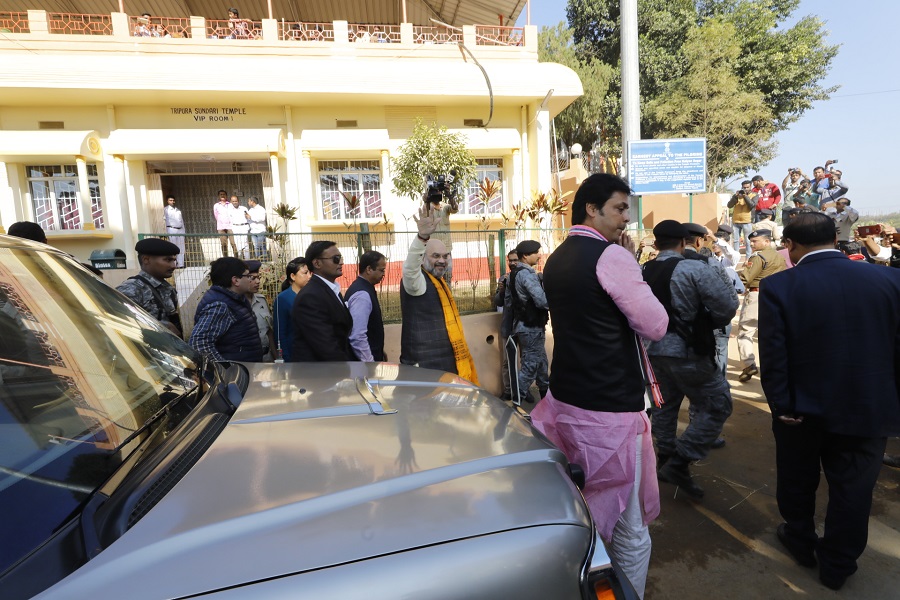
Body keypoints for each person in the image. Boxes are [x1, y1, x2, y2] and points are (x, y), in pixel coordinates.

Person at [530, 173, 668, 598]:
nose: (627, 218)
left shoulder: (556, 257)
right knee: (629, 532)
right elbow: (656, 324)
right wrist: (629, 266)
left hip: (569, 397)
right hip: (611, 408)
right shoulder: (611, 258)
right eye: (620, 208)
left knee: (582, 504)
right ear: (591, 208)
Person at [759, 211, 900, 591]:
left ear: (790, 245)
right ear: (835, 239)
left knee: (797, 479)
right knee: (854, 490)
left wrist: (782, 406)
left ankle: (802, 542)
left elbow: (775, 355)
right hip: (870, 409)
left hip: (802, 410)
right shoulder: (891, 279)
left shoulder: (780, 287)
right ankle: (837, 564)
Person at [642, 221, 739, 499]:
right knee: (718, 404)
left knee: (665, 405)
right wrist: (707, 324)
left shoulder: (644, 270)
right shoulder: (693, 268)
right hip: (686, 351)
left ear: (656, 242)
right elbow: (727, 306)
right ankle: (681, 462)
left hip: (652, 350)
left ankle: (665, 458)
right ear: (683, 242)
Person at [399, 204, 478, 384]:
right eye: (435, 256)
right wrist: (422, 237)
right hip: (424, 368)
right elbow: (410, 269)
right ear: (423, 257)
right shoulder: (416, 282)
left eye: (445, 256)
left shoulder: (440, 282)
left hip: (448, 364)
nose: (441, 261)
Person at [290, 241, 356, 362]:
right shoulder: (310, 297)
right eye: (335, 259)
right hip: (320, 374)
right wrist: (348, 370)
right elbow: (326, 346)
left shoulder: (331, 289)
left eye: (340, 257)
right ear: (317, 263)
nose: (341, 262)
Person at [189, 257, 263, 362]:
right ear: (235, 280)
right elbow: (199, 343)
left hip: (245, 369)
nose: (251, 280)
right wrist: (225, 370)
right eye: (248, 276)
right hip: (235, 374)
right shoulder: (220, 305)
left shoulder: (235, 298)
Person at [736, 230, 786, 383]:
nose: (751, 244)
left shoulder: (758, 256)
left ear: (766, 241)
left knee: (746, 330)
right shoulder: (779, 256)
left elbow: (745, 278)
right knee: (771, 333)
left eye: (755, 241)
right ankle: (774, 367)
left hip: (757, 294)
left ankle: (749, 364)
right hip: (775, 296)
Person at [506, 240, 549, 405]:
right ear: (525, 256)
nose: (539, 255)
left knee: (542, 366)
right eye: (536, 252)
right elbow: (542, 300)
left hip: (524, 326)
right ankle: (513, 406)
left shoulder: (514, 274)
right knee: (530, 368)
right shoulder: (527, 274)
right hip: (531, 328)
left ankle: (546, 406)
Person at [116, 238, 182, 336]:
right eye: (168, 260)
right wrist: (162, 326)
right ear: (146, 260)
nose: (173, 266)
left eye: (174, 260)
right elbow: (120, 325)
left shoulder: (167, 288)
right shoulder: (131, 289)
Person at [346, 251, 388, 362]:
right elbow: (357, 336)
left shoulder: (364, 288)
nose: (383, 274)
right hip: (363, 365)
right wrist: (369, 361)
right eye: (381, 270)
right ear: (369, 269)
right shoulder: (362, 295)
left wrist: (379, 351)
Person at [494, 250, 520, 400]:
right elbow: (498, 302)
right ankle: (508, 390)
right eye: (510, 260)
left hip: (524, 325)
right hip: (507, 326)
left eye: (515, 260)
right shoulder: (503, 278)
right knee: (507, 361)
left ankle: (523, 389)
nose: (512, 263)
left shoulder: (528, 277)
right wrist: (502, 291)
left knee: (524, 359)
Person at [273, 257, 311, 362]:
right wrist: (285, 357)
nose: (309, 276)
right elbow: (280, 333)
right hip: (294, 355)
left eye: (310, 273)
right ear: (293, 276)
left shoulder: (312, 296)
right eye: (305, 273)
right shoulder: (283, 299)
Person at [244, 260, 277, 362]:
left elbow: (269, 332)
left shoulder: (262, 300)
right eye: (252, 278)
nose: (257, 281)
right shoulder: (234, 304)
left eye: (258, 277)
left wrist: (276, 358)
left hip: (267, 358)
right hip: (247, 361)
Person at [727, 181, 757, 255]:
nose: (746, 189)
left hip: (747, 221)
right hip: (736, 221)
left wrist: (745, 196)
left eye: (747, 187)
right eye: (744, 187)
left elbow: (752, 205)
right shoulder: (737, 195)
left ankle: (748, 258)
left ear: (750, 187)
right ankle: (736, 257)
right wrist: (735, 197)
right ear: (742, 187)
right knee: (736, 240)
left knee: (747, 240)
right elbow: (729, 205)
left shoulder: (754, 195)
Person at [214, 190, 238, 257]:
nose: (222, 195)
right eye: (221, 194)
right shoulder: (216, 205)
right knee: (224, 244)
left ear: (226, 196)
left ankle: (236, 258)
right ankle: (225, 259)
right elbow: (216, 216)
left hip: (230, 227)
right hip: (221, 227)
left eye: (224, 194)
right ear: (218, 196)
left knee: (233, 243)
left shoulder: (230, 205)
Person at [164, 195, 185, 268]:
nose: (172, 202)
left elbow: (181, 222)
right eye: (170, 200)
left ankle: (181, 264)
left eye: (173, 200)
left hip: (180, 230)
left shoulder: (178, 210)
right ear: (167, 201)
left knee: (181, 247)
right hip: (171, 229)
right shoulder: (165, 210)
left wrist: (183, 232)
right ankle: (174, 264)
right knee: (173, 247)